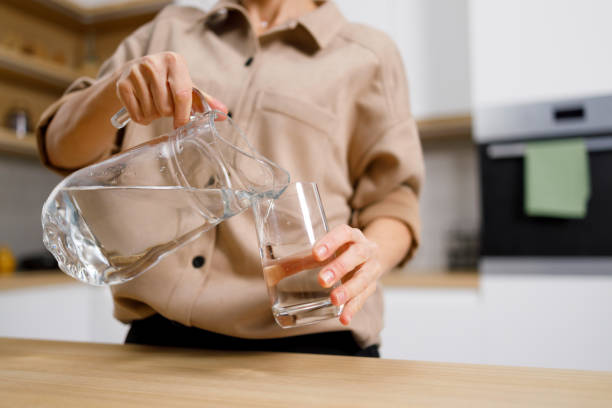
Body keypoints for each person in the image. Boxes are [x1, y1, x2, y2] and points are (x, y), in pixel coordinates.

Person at [36, 0, 424, 357]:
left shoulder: (368, 55)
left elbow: (395, 199)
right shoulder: (168, 29)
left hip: (312, 341)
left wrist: (371, 255)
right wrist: (114, 87)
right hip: (156, 344)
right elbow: (59, 147)